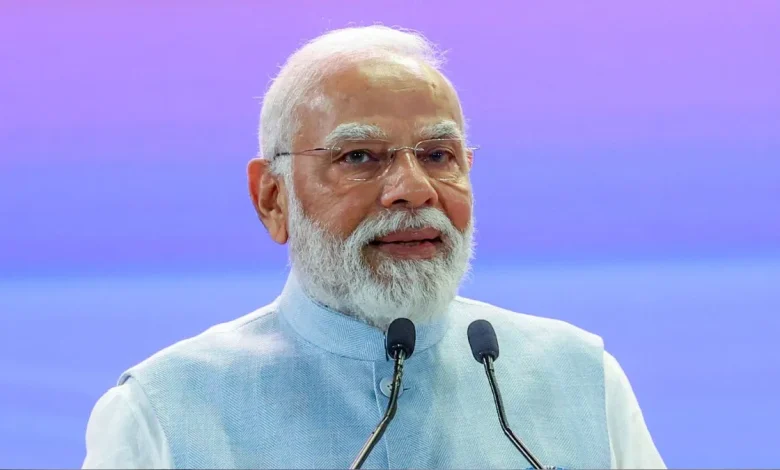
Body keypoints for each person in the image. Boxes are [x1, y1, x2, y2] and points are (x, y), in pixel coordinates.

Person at [82, 25, 665, 469]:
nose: (414, 188)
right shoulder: (164, 412)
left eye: (438, 155)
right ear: (272, 198)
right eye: (359, 156)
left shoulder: (580, 378)